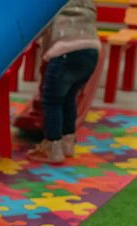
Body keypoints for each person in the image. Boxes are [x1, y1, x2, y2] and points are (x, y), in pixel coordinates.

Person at [27, 0, 101, 164]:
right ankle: (68, 144)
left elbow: (41, 26)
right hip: (91, 52)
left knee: (51, 101)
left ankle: (53, 150)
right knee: (69, 97)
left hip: (65, 51)